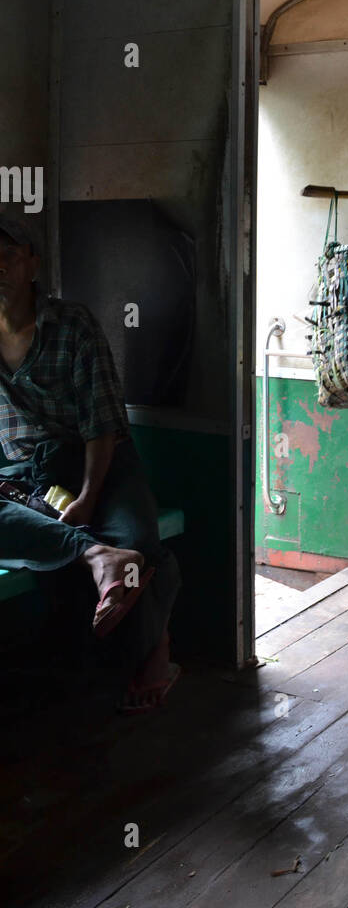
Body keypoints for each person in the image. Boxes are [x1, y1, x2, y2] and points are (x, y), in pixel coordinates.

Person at [0, 215, 180, 712]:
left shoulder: (71, 324)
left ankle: (155, 651)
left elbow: (101, 424)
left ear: (32, 264)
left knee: (138, 541)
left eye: (8, 255)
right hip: (24, 473)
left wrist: (86, 498)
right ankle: (96, 557)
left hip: (98, 460)